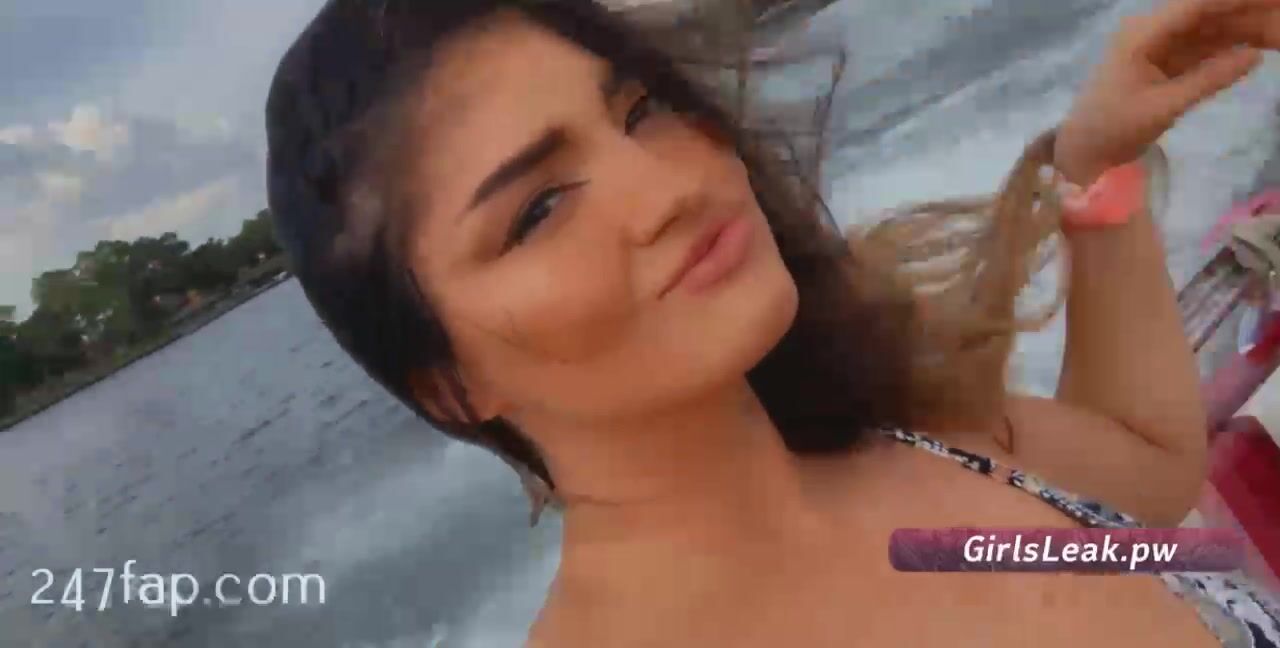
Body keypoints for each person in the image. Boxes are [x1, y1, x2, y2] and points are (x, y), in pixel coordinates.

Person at [264, 0, 1280, 645]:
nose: (668, 185)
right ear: (451, 387)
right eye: (536, 211)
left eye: (640, 111)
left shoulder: (904, 441)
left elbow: (1144, 472)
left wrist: (1100, 165)